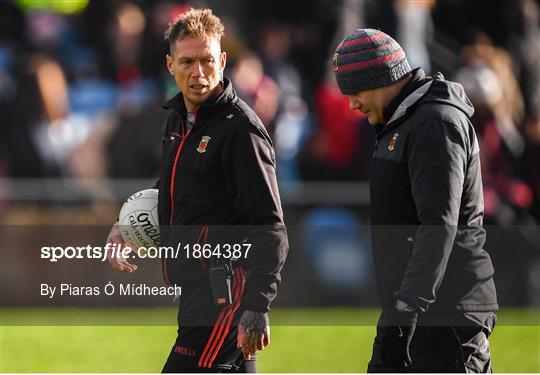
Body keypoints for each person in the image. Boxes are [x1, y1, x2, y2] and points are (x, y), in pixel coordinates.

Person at [106, 8, 288, 373]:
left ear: (222, 61)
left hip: (226, 292)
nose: (199, 72)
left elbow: (271, 226)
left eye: (207, 60)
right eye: (187, 61)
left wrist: (257, 307)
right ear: (170, 64)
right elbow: (173, 186)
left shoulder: (241, 131)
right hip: (197, 288)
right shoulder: (176, 121)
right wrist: (126, 223)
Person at [331, 28, 498, 372]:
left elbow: (438, 226)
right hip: (415, 312)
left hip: (444, 316)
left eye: (355, 90)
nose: (352, 104)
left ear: (380, 78)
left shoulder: (433, 123)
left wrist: (406, 312)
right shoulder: (407, 122)